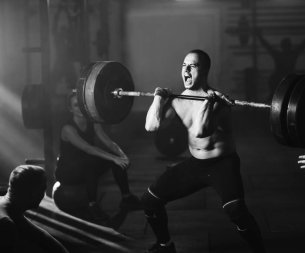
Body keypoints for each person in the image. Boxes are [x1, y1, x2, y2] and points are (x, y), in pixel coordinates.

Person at [141, 49, 266, 253]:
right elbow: (151, 126)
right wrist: (158, 99)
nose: (186, 70)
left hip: (223, 164)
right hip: (196, 163)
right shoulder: (177, 100)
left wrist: (210, 102)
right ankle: (165, 245)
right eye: (184, 65)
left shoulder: (219, 103)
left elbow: (201, 131)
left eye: (193, 66)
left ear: (205, 71)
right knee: (149, 201)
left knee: (237, 212)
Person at [54, 91, 140, 222]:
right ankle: (92, 206)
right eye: (76, 105)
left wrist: (121, 156)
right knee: (92, 162)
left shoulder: (92, 121)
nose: (80, 108)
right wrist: (114, 158)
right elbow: (88, 148)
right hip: (68, 171)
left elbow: (107, 141)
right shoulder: (67, 128)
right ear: (70, 109)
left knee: (112, 160)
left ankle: (126, 198)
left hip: (88, 164)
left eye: (82, 104)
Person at [0, 165, 69, 253]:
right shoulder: (6, 224)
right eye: (42, 189)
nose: (43, 195)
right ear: (31, 192)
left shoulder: (11, 210)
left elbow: (40, 235)